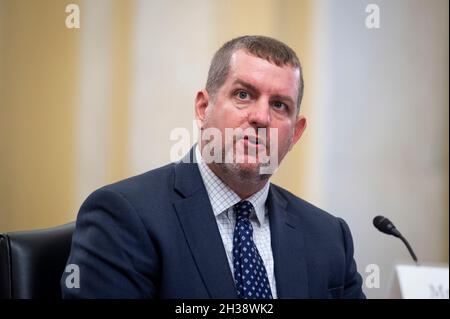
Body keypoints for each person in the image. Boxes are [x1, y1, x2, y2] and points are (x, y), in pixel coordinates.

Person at [61, 35, 365, 299]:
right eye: (243, 95)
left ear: (295, 133)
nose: (261, 117)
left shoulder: (328, 236)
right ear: (203, 108)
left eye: (279, 105)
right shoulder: (124, 216)